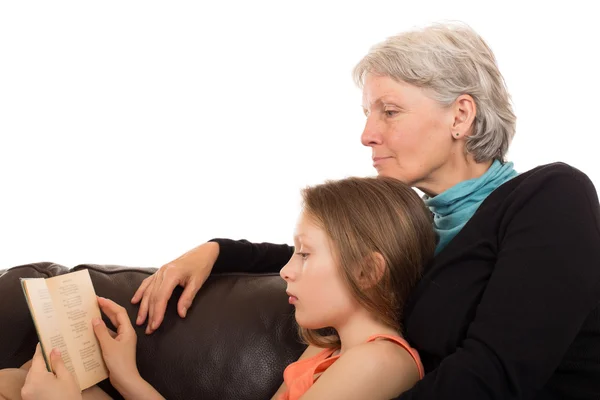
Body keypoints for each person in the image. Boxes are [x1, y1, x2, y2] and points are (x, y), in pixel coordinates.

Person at [129, 22, 600, 399]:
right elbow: (336, 261)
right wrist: (216, 251)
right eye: (367, 114)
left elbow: (494, 373)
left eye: (389, 112)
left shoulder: (552, 197)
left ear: (460, 116)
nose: (367, 135)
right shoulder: (424, 229)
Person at [2, 176, 436, 400]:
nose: (286, 270)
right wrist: (126, 377)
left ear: (367, 271)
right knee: (21, 380)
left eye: (304, 254)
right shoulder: (327, 350)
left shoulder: (381, 360)